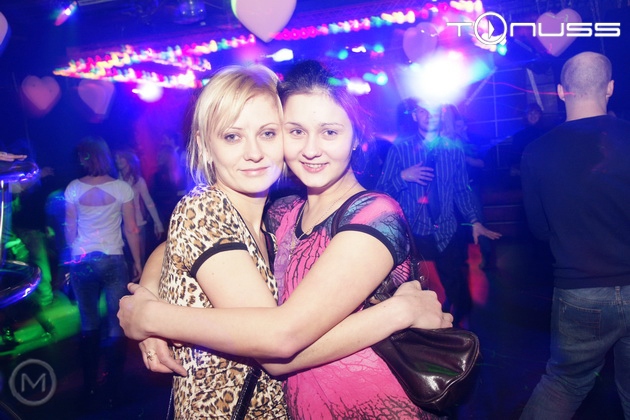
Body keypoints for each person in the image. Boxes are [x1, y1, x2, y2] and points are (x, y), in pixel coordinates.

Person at [118, 61, 452, 419]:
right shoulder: (284, 213)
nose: (311, 149)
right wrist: (148, 295)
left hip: (372, 405)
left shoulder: (373, 215)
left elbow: (282, 341)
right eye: (295, 131)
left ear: (356, 136)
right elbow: (181, 242)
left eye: (329, 132)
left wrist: (151, 317)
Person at [520, 52, 630, 419]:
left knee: (564, 384)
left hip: (581, 290)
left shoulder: (536, 152)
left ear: (560, 91)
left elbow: (539, 229)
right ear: (610, 88)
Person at [376, 101, 502, 326]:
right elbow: (381, 192)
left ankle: (460, 332)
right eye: (422, 110)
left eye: (433, 109)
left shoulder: (453, 149)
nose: (428, 115)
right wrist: (403, 176)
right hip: (413, 233)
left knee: (457, 289)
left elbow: (461, 190)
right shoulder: (400, 149)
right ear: (415, 116)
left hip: (446, 229)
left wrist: (474, 220)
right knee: (415, 291)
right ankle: (422, 333)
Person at [64, 136, 142, 408]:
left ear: (84, 159)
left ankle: (88, 389)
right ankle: (112, 391)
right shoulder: (121, 188)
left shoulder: (74, 188)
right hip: (112, 259)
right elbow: (132, 229)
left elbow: (70, 229)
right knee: (115, 325)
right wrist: (138, 261)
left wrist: (71, 255)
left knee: (88, 323)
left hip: (83, 260)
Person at [114, 148, 165, 263]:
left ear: (128, 159)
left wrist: (158, 224)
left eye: (121, 157)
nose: (118, 160)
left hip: (138, 224)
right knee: (127, 261)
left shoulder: (138, 181)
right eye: (116, 158)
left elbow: (149, 202)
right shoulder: (114, 181)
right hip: (119, 227)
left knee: (140, 260)